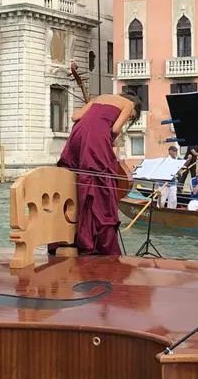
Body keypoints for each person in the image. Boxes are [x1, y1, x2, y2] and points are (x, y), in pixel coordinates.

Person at [57, 91, 141, 256]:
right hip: (97, 136)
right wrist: (110, 137)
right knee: (101, 184)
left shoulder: (100, 97)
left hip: (78, 134)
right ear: (133, 107)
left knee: (77, 177)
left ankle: (71, 234)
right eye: (131, 117)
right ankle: (94, 240)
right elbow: (115, 128)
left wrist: (95, 118)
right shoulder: (128, 104)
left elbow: (75, 117)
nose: (129, 119)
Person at [156, 145, 181, 209]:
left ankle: (171, 212)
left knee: (173, 200)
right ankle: (158, 211)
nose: (176, 152)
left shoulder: (177, 160)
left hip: (173, 183)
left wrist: (179, 172)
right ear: (170, 151)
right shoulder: (165, 160)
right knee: (162, 200)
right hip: (164, 183)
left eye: (176, 151)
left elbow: (178, 171)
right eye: (174, 151)